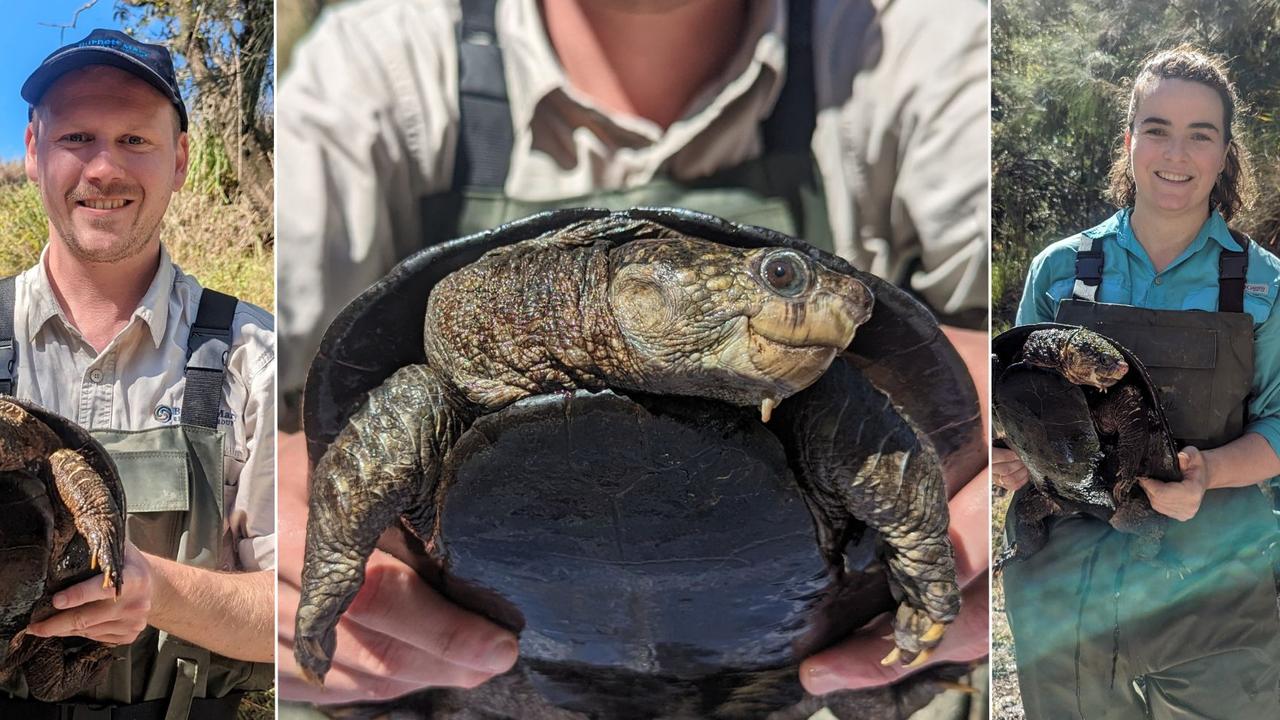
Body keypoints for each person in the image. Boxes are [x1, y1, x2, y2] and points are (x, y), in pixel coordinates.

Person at [276, 0, 990, 707]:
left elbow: (997, 340)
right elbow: (263, 397)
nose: (844, 312)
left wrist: (950, 523)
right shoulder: (375, 72)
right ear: (637, 278)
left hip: (781, 669)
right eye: (781, 279)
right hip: (491, 686)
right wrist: (299, 548)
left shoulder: (921, 42)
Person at [995, 46, 1280, 718]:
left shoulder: (1265, 285)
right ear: (1128, 143)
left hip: (1218, 580)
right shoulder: (1060, 272)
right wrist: (1010, 453)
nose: (1175, 153)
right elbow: (1012, 393)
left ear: (1222, 153)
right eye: (1156, 129)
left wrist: (1205, 472)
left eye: (1199, 134)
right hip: (1069, 583)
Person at [0, 29, 276, 718]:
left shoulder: (256, 354)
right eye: (77, 139)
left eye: (135, 141)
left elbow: (307, 611)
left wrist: (154, 590)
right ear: (34, 152)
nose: (103, 170)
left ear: (180, 160)